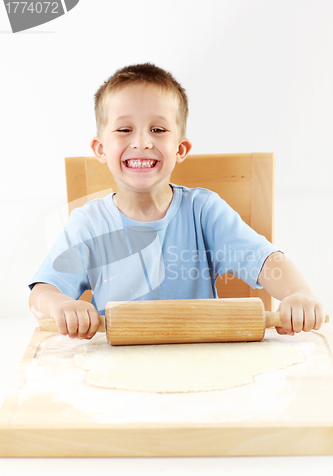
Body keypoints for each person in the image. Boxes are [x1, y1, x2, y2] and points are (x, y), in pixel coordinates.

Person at [29, 63, 325, 340]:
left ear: (180, 149)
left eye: (157, 130)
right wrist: (59, 306)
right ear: (101, 149)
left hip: (202, 359)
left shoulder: (204, 211)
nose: (142, 142)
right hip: (117, 364)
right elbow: (42, 292)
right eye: (124, 129)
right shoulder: (89, 223)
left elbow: (267, 261)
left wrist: (298, 294)